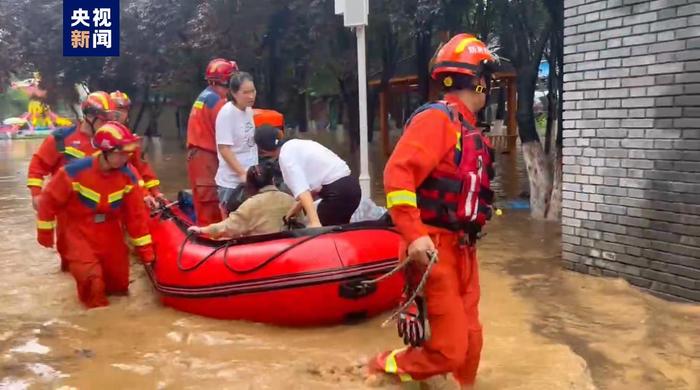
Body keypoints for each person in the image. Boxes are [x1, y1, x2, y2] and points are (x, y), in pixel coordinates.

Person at [367, 34, 498, 388]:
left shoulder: (470, 130)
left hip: (463, 250)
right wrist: (414, 235)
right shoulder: (439, 121)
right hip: (432, 248)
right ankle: (381, 368)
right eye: (490, 81)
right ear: (481, 80)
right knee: (450, 348)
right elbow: (398, 174)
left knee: (471, 341)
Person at [36, 122, 155, 308]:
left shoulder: (128, 177)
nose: (127, 157)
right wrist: (45, 233)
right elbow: (48, 202)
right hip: (78, 233)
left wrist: (146, 254)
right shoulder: (72, 172)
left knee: (119, 288)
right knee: (93, 283)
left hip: (110, 233)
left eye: (129, 152)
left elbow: (136, 218)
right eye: (122, 152)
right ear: (106, 151)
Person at [27, 91, 120, 272]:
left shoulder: (112, 142)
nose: (106, 126)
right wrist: (36, 195)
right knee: (73, 269)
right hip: (70, 217)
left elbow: (130, 173)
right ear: (89, 117)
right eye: (103, 120)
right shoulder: (62, 139)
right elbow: (37, 167)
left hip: (104, 215)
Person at [255, 127, 361, 228]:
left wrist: (315, 223)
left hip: (338, 193)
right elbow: (316, 187)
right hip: (352, 187)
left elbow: (303, 191)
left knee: (318, 232)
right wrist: (297, 208)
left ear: (263, 151)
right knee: (338, 230)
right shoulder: (296, 144)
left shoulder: (286, 157)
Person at [186, 58, 239, 225]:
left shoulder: (206, 97)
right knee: (212, 207)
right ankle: (212, 243)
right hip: (207, 159)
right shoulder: (219, 103)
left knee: (204, 203)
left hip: (199, 157)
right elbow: (230, 137)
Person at [188, 162, 295, 238]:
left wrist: (201, 230)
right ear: (272, 180)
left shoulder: (250, 205)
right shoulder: (291, 200)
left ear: (249, 185)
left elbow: (227, 227)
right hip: (288, 248)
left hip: (260, 252)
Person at [110, 90, 165, 208]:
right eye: (117, 109)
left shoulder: (130, 139)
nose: (120, 114)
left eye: (123, 110)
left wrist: (155, 192)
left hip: (132, 193)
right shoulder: (100, 138)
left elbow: (142, 169)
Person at [214, 71, 259, 215]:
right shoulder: (226, 113)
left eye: (253, 91)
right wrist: (241, 173)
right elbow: (224, 148)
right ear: (233, 93)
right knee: (232, 223)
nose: (251, 96)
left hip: (251, 177)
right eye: (246, 92)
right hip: (232, 181)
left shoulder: (248, 110)